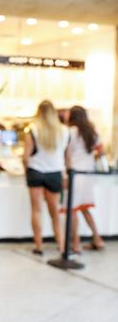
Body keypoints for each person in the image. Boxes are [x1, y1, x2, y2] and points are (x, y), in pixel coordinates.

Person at [23, 100, 68, 255]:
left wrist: (26, 170)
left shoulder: (33, 130)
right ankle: (62, 246)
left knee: (36, 210)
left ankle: (39, 246)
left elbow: (26, 157)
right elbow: (65, 156)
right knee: (55, 211)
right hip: (55, 173)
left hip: (35, 171)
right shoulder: (64, 131)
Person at [66, 106, 105, 252]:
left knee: (73, 209)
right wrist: (88, 158)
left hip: (75, 174)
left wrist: (68, 169)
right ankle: (98, 239)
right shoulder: (93, 132)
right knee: (84, 208)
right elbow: (100, 152)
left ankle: (75, 244)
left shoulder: (71, 132)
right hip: (88, 174)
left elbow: (67, 154)